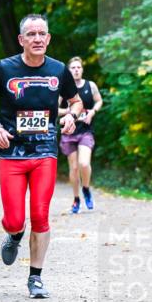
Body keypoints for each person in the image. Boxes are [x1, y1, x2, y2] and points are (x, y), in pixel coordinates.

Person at [0, 14, 84, 298]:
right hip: (11, 153)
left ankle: (35, 278)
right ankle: (13, 234)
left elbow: (77, 102)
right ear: (22, 39)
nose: (37, 39)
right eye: (31, 34)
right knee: (14, 219)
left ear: (48, 39)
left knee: (40, 214)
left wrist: (72, 117)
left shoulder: (59, 70)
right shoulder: (4, 69)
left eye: (42, 34)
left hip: (45, 151)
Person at [58, 56, 103, 213]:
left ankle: (86, 188)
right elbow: (55, 109)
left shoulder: (90, 85)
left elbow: (99, 101)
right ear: (69, 71)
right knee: (74, 167)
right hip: (69, 131)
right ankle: (76, 199)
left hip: (85, 130)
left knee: (84, 163)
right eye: (73, 68)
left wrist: (92, 112)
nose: (76, 70)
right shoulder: (64, 87)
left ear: (82, 69)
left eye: (78, 67)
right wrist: (71, 111)